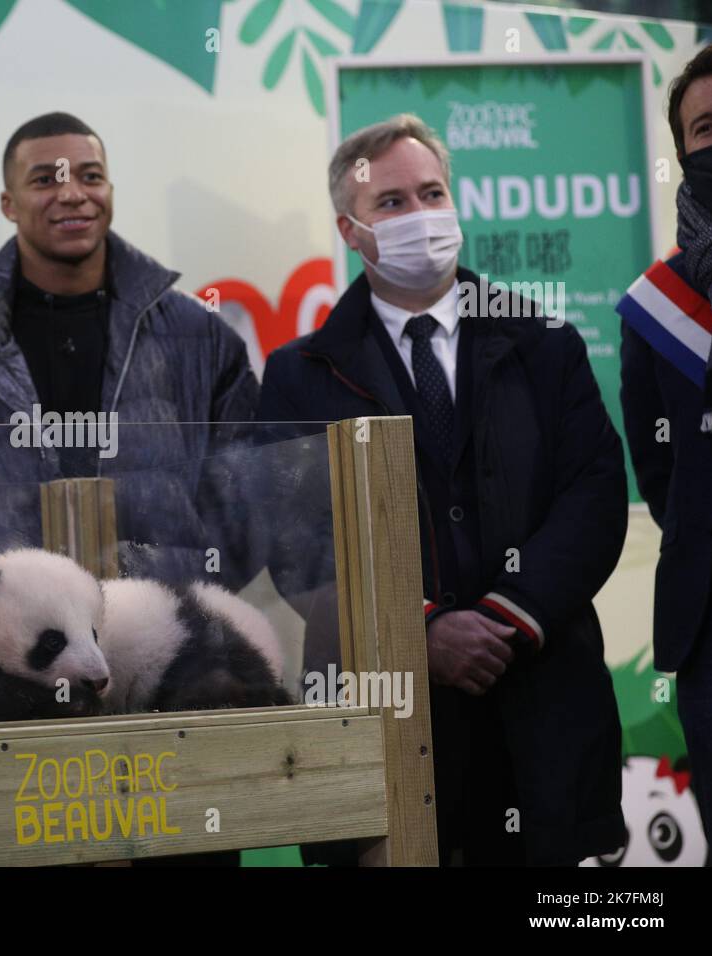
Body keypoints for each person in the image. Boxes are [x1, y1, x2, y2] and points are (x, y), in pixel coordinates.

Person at [258, 114, 627, 866]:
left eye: (432, 192)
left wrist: (506, 615)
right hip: (383, 715)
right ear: (350, 229)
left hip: (537, 705)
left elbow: (593, 495)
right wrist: (419, 627)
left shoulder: (544, 344)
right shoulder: (299, 374)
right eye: (391, 202)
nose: (420, 215)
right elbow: (293, 540)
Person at [0, 112, 259, 591]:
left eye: (91, 176)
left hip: (169, 642)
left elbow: (248, 501)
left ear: (110, 190)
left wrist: (161, 597)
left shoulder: (202, 341)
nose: (72, 194)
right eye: (45, 180)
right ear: (9, 204)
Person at [618, 45, 712, 854]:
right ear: (683, 152)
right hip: (708, 632)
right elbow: (661, 474)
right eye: (705, 129)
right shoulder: (655, 308)